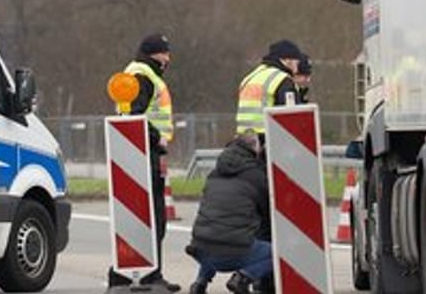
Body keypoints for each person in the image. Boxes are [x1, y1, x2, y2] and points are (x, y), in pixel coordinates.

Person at [109, 33, 181, 292]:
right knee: (152, 217)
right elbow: (133, 116)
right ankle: (146, 276)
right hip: (144, 153)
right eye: (165, 53)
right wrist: (157, 138)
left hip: (140, 153)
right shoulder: (143, 75)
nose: (168, 58)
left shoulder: (138, 73)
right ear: (155, 54)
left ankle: (131, 274)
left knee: (139, 217)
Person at [186, 133, 272, 294]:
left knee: (214, 234)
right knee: (277, 254)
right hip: (233, 254)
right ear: (255, 150)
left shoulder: (214, 173)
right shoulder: (256, 175)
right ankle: (243, 277)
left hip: (199, 250)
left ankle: (199, 283)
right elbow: (267, 212)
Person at [235, 40, 303, 136]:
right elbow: (293, 119)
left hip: (243, 140)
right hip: (268, 141)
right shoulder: (283, 80)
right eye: (297, 61)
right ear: (287, 60)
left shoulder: (250, 78)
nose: (298, 65)